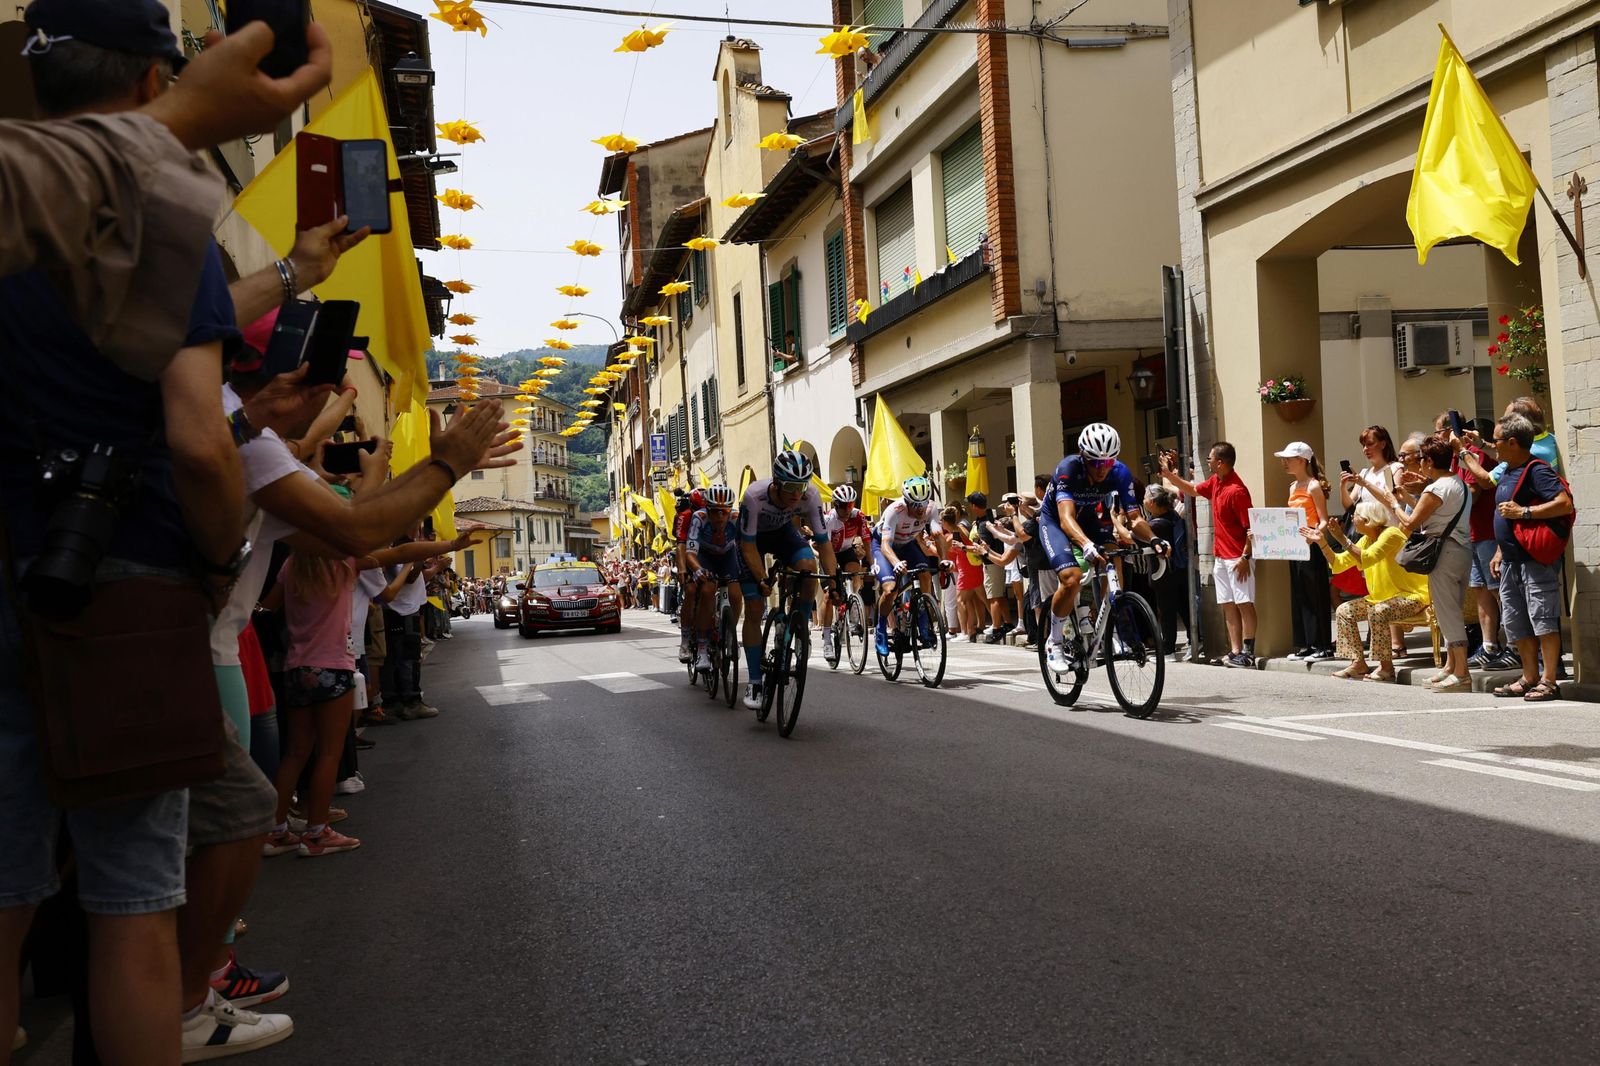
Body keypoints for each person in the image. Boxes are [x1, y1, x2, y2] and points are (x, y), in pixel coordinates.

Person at [1039, 424, 1166, 671]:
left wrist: (1154, 540)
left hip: (1088, 518)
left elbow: (1135, 518)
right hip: (1055, 520)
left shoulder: (1120, 473)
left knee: (1113, 557)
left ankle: (1107, 627)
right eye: (1096, 463)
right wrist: (1086, 544)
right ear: (1083, 456)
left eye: (1108, 463)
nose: (1102, 469)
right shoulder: (1068, 469)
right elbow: (1066, 519)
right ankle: (1053, 641)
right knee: (1071, 577)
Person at [737, 450, 839, 709]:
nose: (797, 494)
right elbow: (748, 547)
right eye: (791, 487)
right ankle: (755, 681)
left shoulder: (810, 495)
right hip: (753, 540)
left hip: (783, 533)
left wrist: (833, 581)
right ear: (776, 483)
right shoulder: (754, 496)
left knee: (808, 566)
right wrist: (761, 578)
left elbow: (824, 544)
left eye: (802, 486)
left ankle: (799, 624)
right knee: (755, 607)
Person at [1487, 414, 1572, 702]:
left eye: (1497, 440)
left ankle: (1549, 680)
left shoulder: (1537, 470)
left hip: (1535, 561)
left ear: (1512, 442)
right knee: (1516, 623)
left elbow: (1563, 503)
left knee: (1543, 620)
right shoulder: (1508, 470)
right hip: (1511, 561)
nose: (1493, 446)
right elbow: (1505, 517)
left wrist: (1525, 512)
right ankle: (1529, 677)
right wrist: (1500, 550)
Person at [1303, 501, 1430, 683]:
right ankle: (1358, 664)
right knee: (1344, 611)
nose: (1352, 520)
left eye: (1355, 516)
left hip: (1411, 596)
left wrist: (1342, 539)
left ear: (1368, 520)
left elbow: (1368, 558)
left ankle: (1386, 667)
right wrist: (1322, 542)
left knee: (1378, 611)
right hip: (1380, 599)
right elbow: (1338, 565)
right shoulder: (1365, 540)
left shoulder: (1391, 534)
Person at [1162, 441, 1255, 666]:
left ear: (1221, 462)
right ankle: (1235, 651)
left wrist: (1245, 558)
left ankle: (1248, 653)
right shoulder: (1216, 481)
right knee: (1228, 604)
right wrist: (1168, 475)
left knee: (1244, 603)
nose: (1208, 462)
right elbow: (1192, 489)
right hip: (1221, 556)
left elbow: (1251, 529)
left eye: (1210, 459)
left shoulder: (1237, 491)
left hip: (1237, 557)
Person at [1396, 433, 1474, 691]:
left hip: (1444, 552)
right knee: (1452, 609)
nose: (1418, 464)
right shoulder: (1458, 483)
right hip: (1462, 550)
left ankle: (1461, 673)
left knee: (1448, 613)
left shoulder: (1436, 488)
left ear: (1429, 461)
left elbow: (1409, 522)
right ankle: (1451, 666)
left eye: (1420, 459)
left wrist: (1392, 501)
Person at [872, 477, 947, 655]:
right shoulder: (894, 511)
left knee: (925, 574)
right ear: (906, 501)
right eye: (915, 504)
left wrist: (944, 559)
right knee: (890, 589)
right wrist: (896, 563)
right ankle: (881, 628)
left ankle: (923, 623)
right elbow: (885, 546)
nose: (920, 508)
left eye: (923, 503)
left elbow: (938, 535)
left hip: (907, 544)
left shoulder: (931, 507)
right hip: (883, 545)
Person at [1274, 442, 1334, 660]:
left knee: (1315, 593)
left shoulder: (1313, 486)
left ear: (1302, 460)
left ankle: (1322, 646)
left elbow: (1324, 520)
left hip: (1311, 542)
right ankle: (1306, 644)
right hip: (1295, 544)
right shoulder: (1292, 487)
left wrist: (1314, 536)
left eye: (1289, 459)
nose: (1284, 463)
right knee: (1299, 593)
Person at [683, 485, 741, 673]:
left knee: (736, 592)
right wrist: (698, 570)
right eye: (715, 512)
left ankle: (731, 635)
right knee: (707, 591)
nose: (720, 517)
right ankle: (702, 647)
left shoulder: (736, 518)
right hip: (705, 556)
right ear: (707, 509)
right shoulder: (699, 518)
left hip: (728, 555)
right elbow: (690, 552)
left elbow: (747, 547)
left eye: (724, 512)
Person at [820, 485, 872, 658]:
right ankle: (827, 639)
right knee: (829, 597)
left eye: (851, 505)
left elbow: (866, 540)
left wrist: (871, 562)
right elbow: (825, 547)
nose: (848, 509)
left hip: (846, 551)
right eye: (844, 506)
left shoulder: (858, 515)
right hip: (829, 552)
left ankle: (853, 607)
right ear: (835, 505)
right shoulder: (828, 519)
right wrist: (833, 572)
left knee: (855, 572)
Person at [1143, 484, 1190, 655]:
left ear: (1153, 502)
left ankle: (1168, 647)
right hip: (1179, 569)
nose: (1143, 500)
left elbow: (1130, 537)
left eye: (1145, 497)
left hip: (1164, 573)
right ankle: (1194, 639)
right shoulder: (1173, 516)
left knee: (1167, 610)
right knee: (1183, 605)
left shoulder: (1156, 525)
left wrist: (1116, 519)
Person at [965, 492, 1013, 643]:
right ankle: (1007, 623)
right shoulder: (987, 518)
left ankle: (997, 628)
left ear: (973, 506)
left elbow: (983, 548)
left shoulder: (984, 524)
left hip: (992, 563)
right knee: (999, 595)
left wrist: (963, 547)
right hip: (995, 562)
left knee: (993, 597)